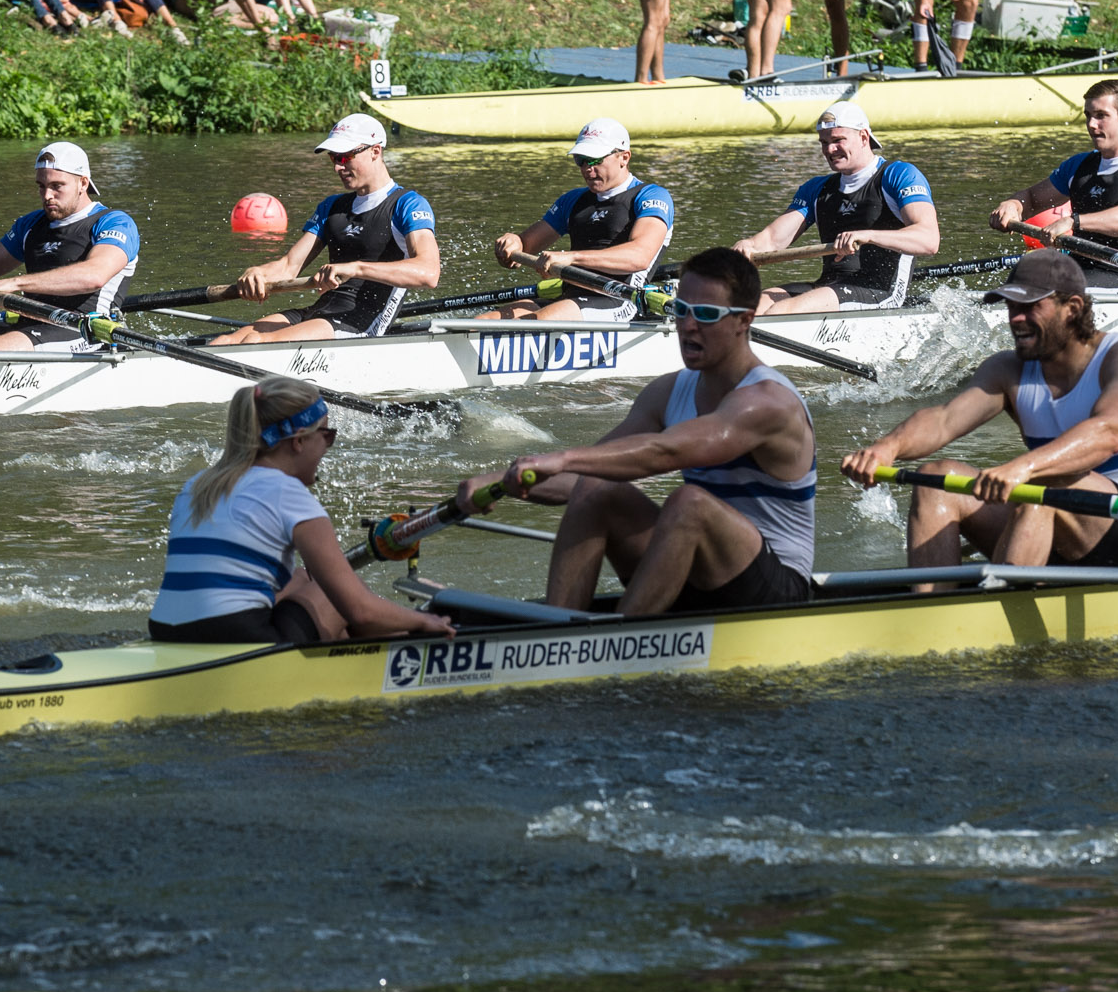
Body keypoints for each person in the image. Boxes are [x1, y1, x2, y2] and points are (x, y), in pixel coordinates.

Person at [455, 247, 819, 615]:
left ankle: (614, 644)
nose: (689, 326)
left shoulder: (769, 402)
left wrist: (563, 456)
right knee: (597, 486)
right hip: (695, 572)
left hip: (775, 588)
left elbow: (667, 452)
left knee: (688, 503)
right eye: (681, 310)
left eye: (706, 315)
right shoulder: (666, 392)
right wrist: (499, 481)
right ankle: (557, 630)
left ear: (744, 321)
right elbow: (584, 476)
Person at [841, 248, 1118, 570]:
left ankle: (998, 613)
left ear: (1072, 308)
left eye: (1030, 307)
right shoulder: (1007, 370)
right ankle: (932, 605)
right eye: (1011, 307)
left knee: (1044, 482)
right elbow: (943, 420)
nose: (1015, 319)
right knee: (938, 480)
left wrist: (1022, 467)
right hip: (1060, 522)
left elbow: (1108, 434)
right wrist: (887, 448)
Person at [150, 377, 452, 645]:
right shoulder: (287, 493)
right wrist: (425, 621)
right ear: (298, 442)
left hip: (165, 630)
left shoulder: (198, 485)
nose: (328, 447)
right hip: (239, 636)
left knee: (300, 578)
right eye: (326, 435)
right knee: (336, 593)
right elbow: (360, 610)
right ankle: (405, 656)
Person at [211, 114, 440, 344]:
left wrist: (356, 268)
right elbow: (289, 267)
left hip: (359, 323)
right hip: (319, 313)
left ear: (375, 151)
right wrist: (257, 273)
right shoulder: (332, 207)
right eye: (334, 158)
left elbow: (429, 273)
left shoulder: (407, 204)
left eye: (346, 156)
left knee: (255, 342)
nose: (338, 167)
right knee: (223, 342)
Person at [0, 142, 139, 351]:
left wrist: (15, 284)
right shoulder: (31, 225)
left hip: (85, 330)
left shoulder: (114, 222)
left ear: (83, 183)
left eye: (57, 186)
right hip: (29, 322)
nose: (47, 196)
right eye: (41, 186)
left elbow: (94, 276)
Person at [734, 102, 938, 313]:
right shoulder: (817, 188)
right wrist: (748, 246)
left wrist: (868, 236)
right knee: (746, 308)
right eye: (824, 142)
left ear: (863, 137)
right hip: (828, 286)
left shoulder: (899, 175)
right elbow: (772, 239)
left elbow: (929, 240)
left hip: (879, 291)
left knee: (780, 311)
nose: (830, 150)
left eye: (838, 140)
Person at [990, 77, 1118, 291]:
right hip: (1077, 269)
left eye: (1101, 116)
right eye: (1088, 115)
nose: (1091, 124)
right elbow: (1031, 199)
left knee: (1051, 290)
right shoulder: (1079, 165)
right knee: (1020, 277)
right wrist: (1014, 205)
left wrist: (1074, 222)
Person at [479, 118, 675, 321]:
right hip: (571, 299)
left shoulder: (651, 196)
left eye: (595, 159)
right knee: (483, 322)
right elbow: (524, 249)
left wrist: (571, 257)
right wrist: (513, 243)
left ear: (624, 158)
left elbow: (639, 256)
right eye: (580, 159)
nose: (586, 168)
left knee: (537, 321)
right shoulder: (573, 200)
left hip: (622, 301)